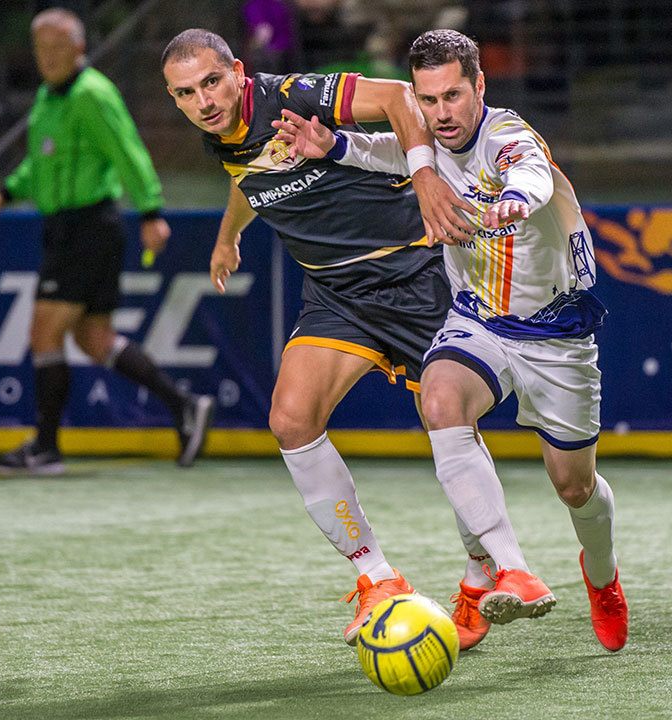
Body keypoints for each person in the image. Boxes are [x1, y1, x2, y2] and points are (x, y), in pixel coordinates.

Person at [272, 28, 630, 652]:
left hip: (557, 337)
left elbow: (533, 176)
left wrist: (512, 203)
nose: (441, 114)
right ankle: (510, 569)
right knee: (438, 400)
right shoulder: (430, 143)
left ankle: (602, 578)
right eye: (428, 99)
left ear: (479, 86)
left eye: (453, 96)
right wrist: (330, 145)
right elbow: (386, 151)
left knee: (574, 486)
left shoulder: (508, 138)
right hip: (477, 321)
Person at [160, 28, 479, 646]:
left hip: (414, 274)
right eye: (185, 93)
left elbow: (398, 99)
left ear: (238, 73)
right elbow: (248, 172)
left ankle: (478, 576)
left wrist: (422, 176)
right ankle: (378, 580)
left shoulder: (295, 95)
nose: (202, 101)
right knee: (291, 419)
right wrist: (230, 236)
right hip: (337, 296)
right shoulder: (221, 135)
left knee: (449, 430)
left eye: (211, 82)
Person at [0, 8, 214, 476]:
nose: (48, 58)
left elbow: (128, 151)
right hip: (67, 228)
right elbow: (39, 165)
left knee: (44, 332)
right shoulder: (47, 99)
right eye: (40, 49)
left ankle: (44, 448)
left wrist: (151, 212)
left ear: (79, 48)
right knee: (92, 338)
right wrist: (1, 195)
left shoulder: (92, 94)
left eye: (57, 48)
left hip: (88, 227)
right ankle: (184, 404)